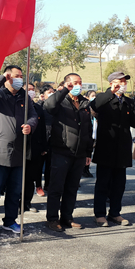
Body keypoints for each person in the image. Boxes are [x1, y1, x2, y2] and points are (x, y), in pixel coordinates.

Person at [0, 65, 37, 237]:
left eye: (21, 76)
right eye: (16, 76)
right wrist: (0, 78)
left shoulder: (25, 96)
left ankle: (10, 221)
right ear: (7, 77)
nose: (20, 78)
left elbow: (34, 116)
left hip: (19, 151)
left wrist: (30, 125)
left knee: (15, 191)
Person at [90, 72, 135, 227]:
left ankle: (115, 213)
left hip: (122, 148)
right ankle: (99, 214)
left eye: (124, 81)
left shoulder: (128, 101)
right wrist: (110, 92)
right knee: (103, 183)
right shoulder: (104, 98)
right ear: (112, 83)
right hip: (106, 147)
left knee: (119, 184)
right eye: (120, 81)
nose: (123, 84)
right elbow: (94, 106)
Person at [43, 73, 93, 232]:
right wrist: (64, 90)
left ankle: (67, 217)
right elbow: (49, 106)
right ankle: (52, 218)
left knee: (72, 188)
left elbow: (88, 130)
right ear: (66, 84)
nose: (77, 86)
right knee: (56, 188)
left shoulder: (85, 103)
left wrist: (88, 153)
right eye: (73, 83)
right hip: (61, 151)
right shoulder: (60, 100)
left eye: (80, 82)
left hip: (79, 154)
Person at [21, 83, 48, 213]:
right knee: (18, 179)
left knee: (31, 178)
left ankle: (27, 202)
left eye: (33, 90)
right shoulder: (18, 106)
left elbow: (43, 129)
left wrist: (43, 147)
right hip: (19, 149)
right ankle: (16, 204)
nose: (31, 92)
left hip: (35, 149)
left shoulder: (38, 108)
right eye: (28, 89)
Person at [37, 84, 55, 195]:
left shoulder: (56, 107)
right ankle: (38, 185)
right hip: (42, 138)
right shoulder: (39, 107)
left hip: (53, 138)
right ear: (43, 95)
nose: (52, 94)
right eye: (49, 92)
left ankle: (48, 184)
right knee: (39, 165)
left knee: (50, 164)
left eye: (53, 91)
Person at [82, 90, 97, 178]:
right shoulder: (86, 106)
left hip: (94, 129)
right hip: (88, 131)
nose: (94, 97)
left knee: (89, 151)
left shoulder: (95, 106)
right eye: (92, 95)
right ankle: (83, 169)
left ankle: (87, 168)